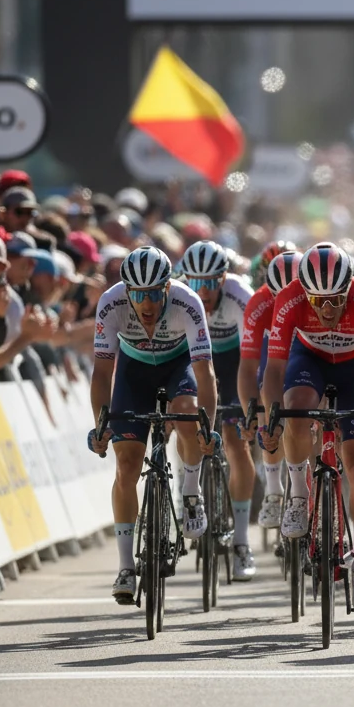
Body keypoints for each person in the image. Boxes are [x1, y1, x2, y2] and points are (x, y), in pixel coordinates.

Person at [260, 243, 354, 611]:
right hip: (311, 361)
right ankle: (300, 495)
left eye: (336, 300)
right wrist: (272, 417)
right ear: (304, 292)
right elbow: (273, 370)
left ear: (348, 289)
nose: (328, 310)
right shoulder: (289, 299)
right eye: (318, 301)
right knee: (296, 408)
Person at [87, 246, 219, 605]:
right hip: (133, 373)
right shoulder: (111, 303)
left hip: (178, 367)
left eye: (153, 294)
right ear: (127, 291)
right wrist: (101, 426)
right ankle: (126, 565)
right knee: (127, 465)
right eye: (138, 294)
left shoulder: (188, 302)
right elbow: (102, 373)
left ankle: (191, 493)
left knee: (187, 414)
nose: (145, 303)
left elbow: (205, 373)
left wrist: (208, 425)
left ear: (167, 288)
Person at [180, 240, 260, 582]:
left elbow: (251, 359)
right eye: (196, 283)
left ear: (223, 278)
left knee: (235, 441)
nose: (204, 291)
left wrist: (247, 406)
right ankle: (190, 489)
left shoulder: (241, 295)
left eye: (210, 283)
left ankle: (242, 541)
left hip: (233, 363)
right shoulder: (180, 295)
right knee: (186, 427)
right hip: (192, 361)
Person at [238, 250, 302, 531]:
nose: (283, 304)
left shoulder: (315, 298)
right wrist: (251, 413)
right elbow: (248, 367)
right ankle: (274, 490)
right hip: (271, 356)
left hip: (305, 352)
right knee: (267, 400)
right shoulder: (258, 304)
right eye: (277, 298)